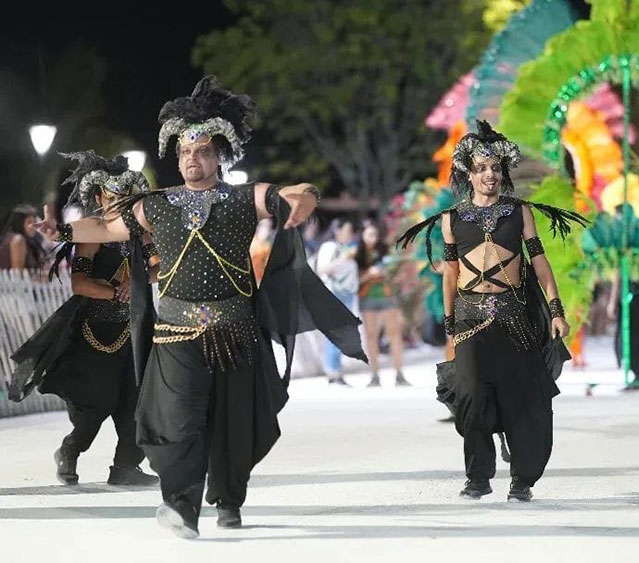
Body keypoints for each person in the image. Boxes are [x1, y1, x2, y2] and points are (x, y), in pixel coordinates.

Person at [33, 76, 367, 539]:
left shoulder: (243, 197)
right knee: (177, 421)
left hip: (235, 335)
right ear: (177, 157)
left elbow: (295, 192)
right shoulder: (157, 204)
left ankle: (228, 499)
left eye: (204, 151)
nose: (193, 158)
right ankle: (181, 505)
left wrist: (305, 198)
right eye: (186, 151)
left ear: (219, 156)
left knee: (232, 426)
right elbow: (107, 227)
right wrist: (63, 233)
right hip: (175, 335)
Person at [397, 120, 585, 502]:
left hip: (514, 318)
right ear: (468, 173)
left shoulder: (519, 212)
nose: (490, 175)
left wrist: (556, 310)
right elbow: (451, 274)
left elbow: (540, 263)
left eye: (496, 168)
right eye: (482, 168)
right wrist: (449, 323)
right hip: (469, 319)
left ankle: (522, 479)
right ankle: (478, 477)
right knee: (470, 397)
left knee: (523, 400)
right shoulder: (451, 219)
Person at [10, 151, 159, 488]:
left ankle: (125, 467)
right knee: (98, 403)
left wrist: (138, 281)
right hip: (96, 334)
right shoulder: (91, 234)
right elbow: (79, 283)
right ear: (99, 197)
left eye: (125, 194)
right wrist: (115, 291)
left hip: (137, 330)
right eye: (112, 195)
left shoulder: (141, 233)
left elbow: (159, 267)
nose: (119, 201)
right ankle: (70, 450)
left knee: (138, 400)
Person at [357, 224, 409, 387]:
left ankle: (399, 374)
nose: (372, 238)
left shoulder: (386, 252)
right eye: (368, 235)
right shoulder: (357, 254)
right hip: (367, 298)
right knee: (371, 337)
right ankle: (374, 375)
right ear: (362, 236)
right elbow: (354, 280)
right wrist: (369, 274)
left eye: (374, 234)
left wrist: (390, 275)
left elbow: (397, 275)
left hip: (387, 296)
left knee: (394, 334)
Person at [315, 218, 359, 385]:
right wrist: (343, 259)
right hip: (335, 294)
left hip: (346, 294)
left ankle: (335, 369)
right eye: (347, 230)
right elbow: (322, 269)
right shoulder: (330, 247)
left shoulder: (345, 247)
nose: (350, 234)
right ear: (337, 231)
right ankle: (333, 371)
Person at [0, 204, 46, 272]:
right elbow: (18, 273)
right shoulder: (18, 240)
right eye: (29, 222)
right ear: (19, 223)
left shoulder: (31, 240)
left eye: (34, 222)